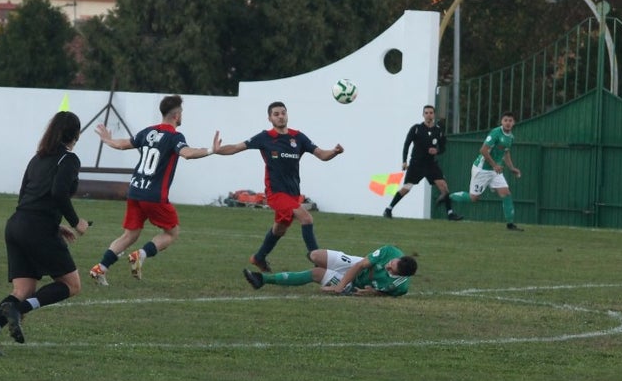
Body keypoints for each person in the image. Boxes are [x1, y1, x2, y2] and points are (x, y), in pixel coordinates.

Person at [0, 111, 91, 356]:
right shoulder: (69, 160)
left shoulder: (38, 158)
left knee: (22, 290)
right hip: (36, 228)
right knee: (71, 285)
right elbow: (58, 193)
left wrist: (54, 224)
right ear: (77, 134)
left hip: (17, 223)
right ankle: (19, 309)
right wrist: (76, 221)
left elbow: (26, 192)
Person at [88, 95, 219, 285]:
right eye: (181, 113)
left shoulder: (148, 132)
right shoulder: (175, 137)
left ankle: (100, 268)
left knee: (130, 234)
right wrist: (210, 150)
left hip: (135, 190)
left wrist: (108, 140)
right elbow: (187, 154)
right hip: (154, 195)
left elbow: (123, 144)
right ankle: (140, 255)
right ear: (176, 115)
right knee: (172, 232)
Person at [217, 101, 344, 272]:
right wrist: (216, 150)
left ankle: (258, 257)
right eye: (276, 114)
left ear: (287, 115)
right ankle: (318, 263)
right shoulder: (265, 137)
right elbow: (236, 147)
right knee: (306, 219)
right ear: (269, 118)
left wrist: (334, 152)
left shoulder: (298, 137)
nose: (280, 116)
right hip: (275, 193)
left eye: (283, 113)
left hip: (292, 193)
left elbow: (321, 154)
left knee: (280, 229)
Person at [242, 245, 417, 297]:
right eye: (391, 263)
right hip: (355, 265)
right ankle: (330, 277)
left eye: (390, 268)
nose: (388, 264)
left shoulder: (400, 286)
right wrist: (339, 286)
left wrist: (374, 293)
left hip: (354, 285)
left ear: (399, 274)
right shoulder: (390, 252)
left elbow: (388, 294)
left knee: (316, 273)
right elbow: (359, 266)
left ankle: (262, 279)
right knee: (315, 256)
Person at [383, 104, 462, 221]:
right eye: (426, 113)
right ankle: (388, 209)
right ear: (423, 115)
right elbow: (407, 144)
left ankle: (450, 214)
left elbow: (443, 147)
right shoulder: (416, 128)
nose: (429, 115)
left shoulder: (438, 131)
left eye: (431, 113)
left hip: (431, 164)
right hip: (416, 164)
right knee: (407, 188)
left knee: (444, 187)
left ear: (434, 115)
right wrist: (404, 161)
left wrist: (437, 150)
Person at [449, 111, 523, 231]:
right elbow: (483, 150)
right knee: (474, 198)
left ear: (514, 122)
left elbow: (506, 152)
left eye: (510, 121)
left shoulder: (511, 137)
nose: (508, 123)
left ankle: (510, 224)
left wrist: (512, 168)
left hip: (495, 171)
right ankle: (448, 197)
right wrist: (494, 165)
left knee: (506, 193)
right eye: (505, 120)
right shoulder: (495, 133)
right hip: (482, 169)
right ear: (501, 122)